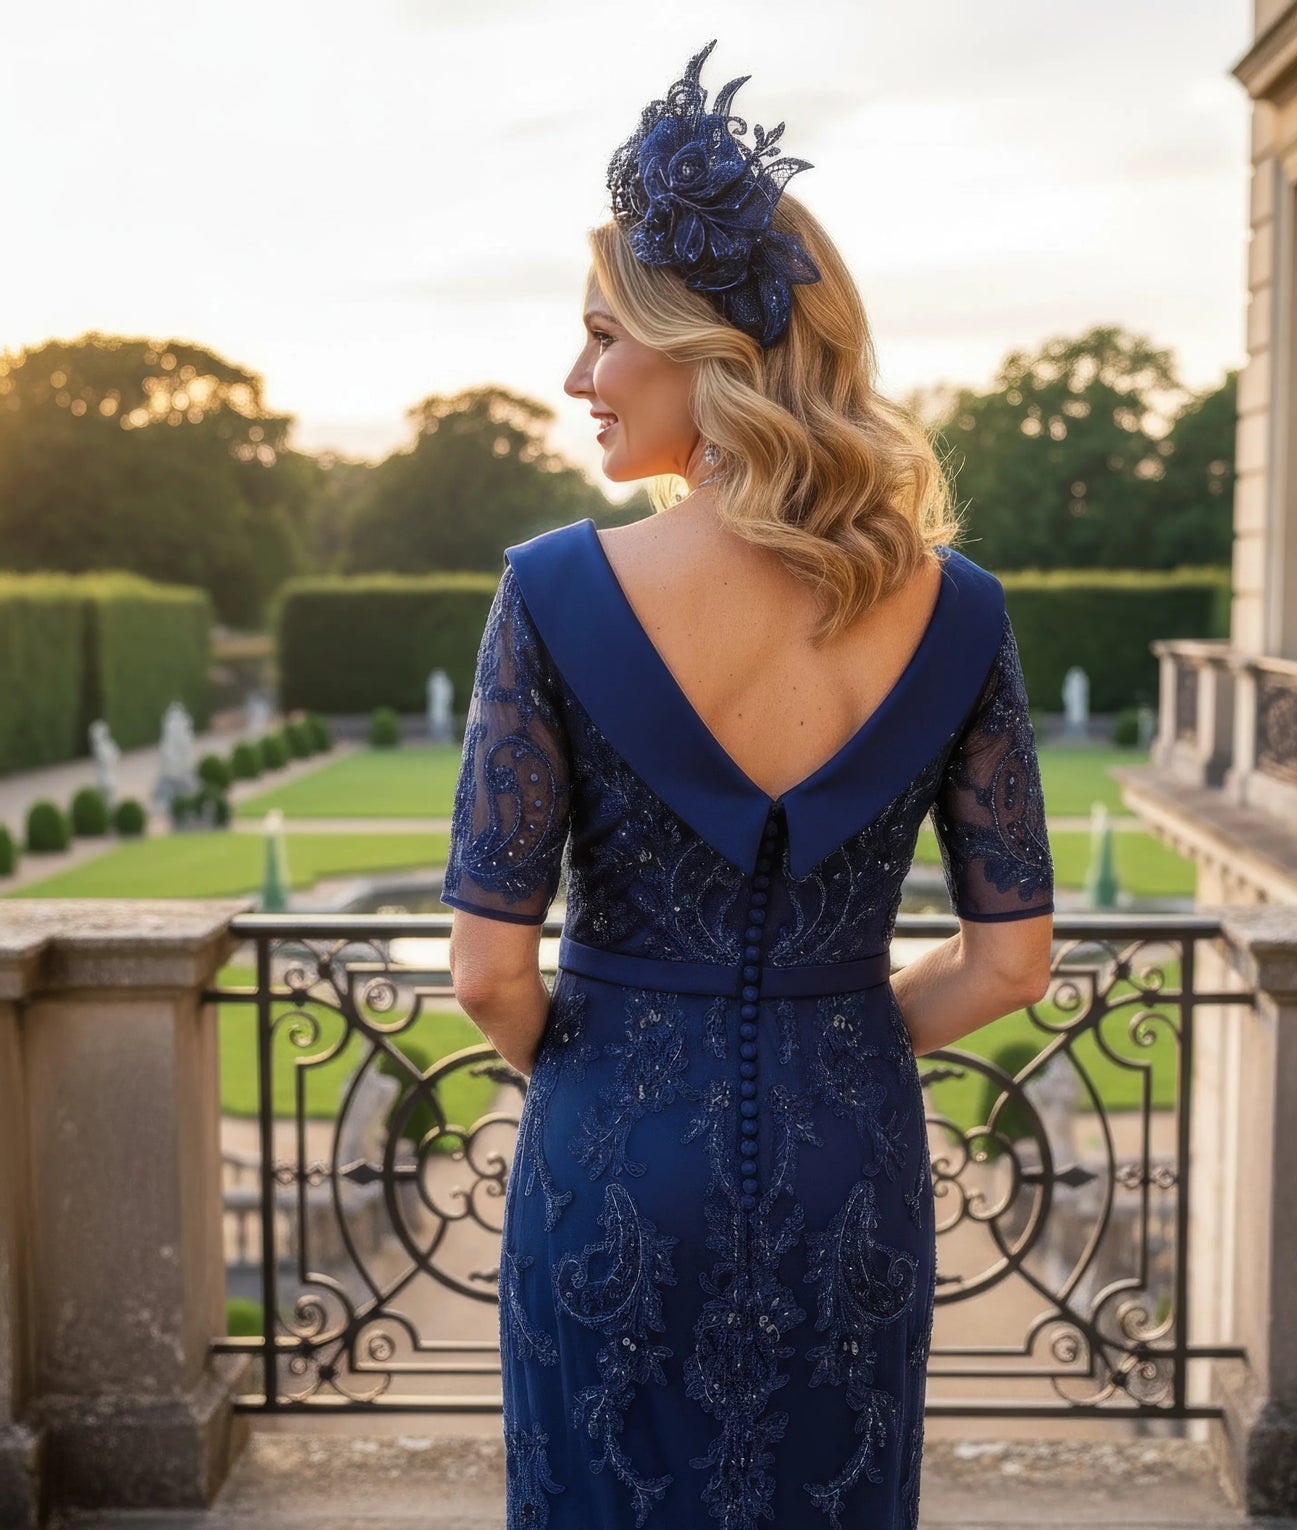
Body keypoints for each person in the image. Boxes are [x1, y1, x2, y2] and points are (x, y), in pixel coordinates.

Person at [443, 39, 1054, 1530]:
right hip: (851, 1147)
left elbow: (484, 976)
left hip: (611, 1146)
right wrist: (836, 1033)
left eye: (602, 335)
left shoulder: (552, 590)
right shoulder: (958, 606)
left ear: (705, 350)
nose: (577, 375)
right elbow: (1012, 961)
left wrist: (608, 1078)